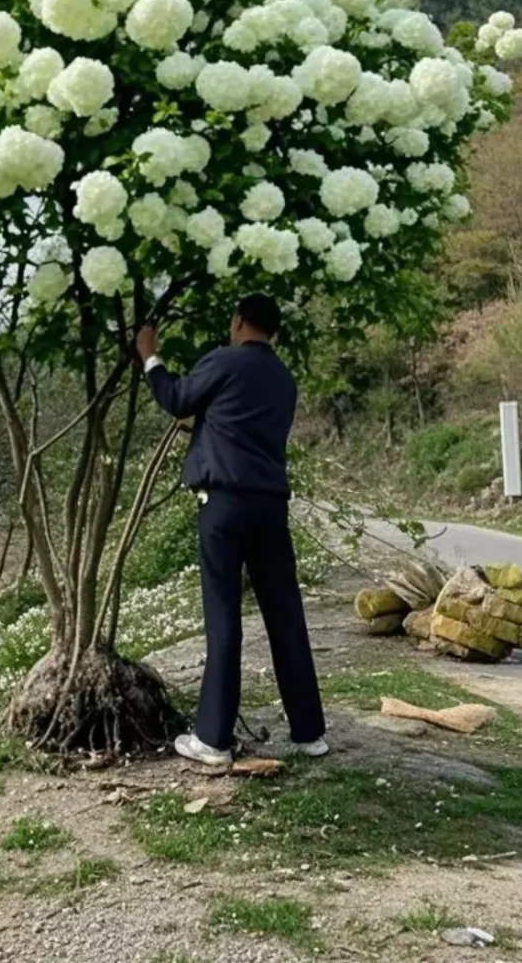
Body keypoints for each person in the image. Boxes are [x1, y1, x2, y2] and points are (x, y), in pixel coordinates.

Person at [136, 294, 328, 767]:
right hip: (270, 507)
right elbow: (238, 425)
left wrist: (149, 355)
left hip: (223, 504)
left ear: (239, 321)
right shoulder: (283, 379)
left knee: (224, 618)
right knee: (285, 616)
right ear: (273, 329)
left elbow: (177, 398)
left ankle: (213, 739)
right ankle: (310, 733)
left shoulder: (224, 361)